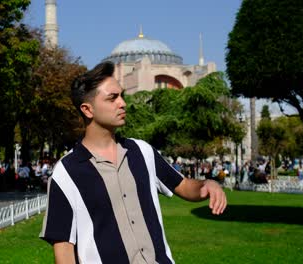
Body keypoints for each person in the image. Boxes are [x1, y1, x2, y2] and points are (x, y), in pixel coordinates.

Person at [39, 61, 227, 263]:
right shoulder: (66, 172)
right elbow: (64, 248)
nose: (122, 103)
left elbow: (182, 185)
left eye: (122, 96)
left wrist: (207, 185)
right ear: (87, 109)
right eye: (112, 98)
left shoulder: (141, 151)